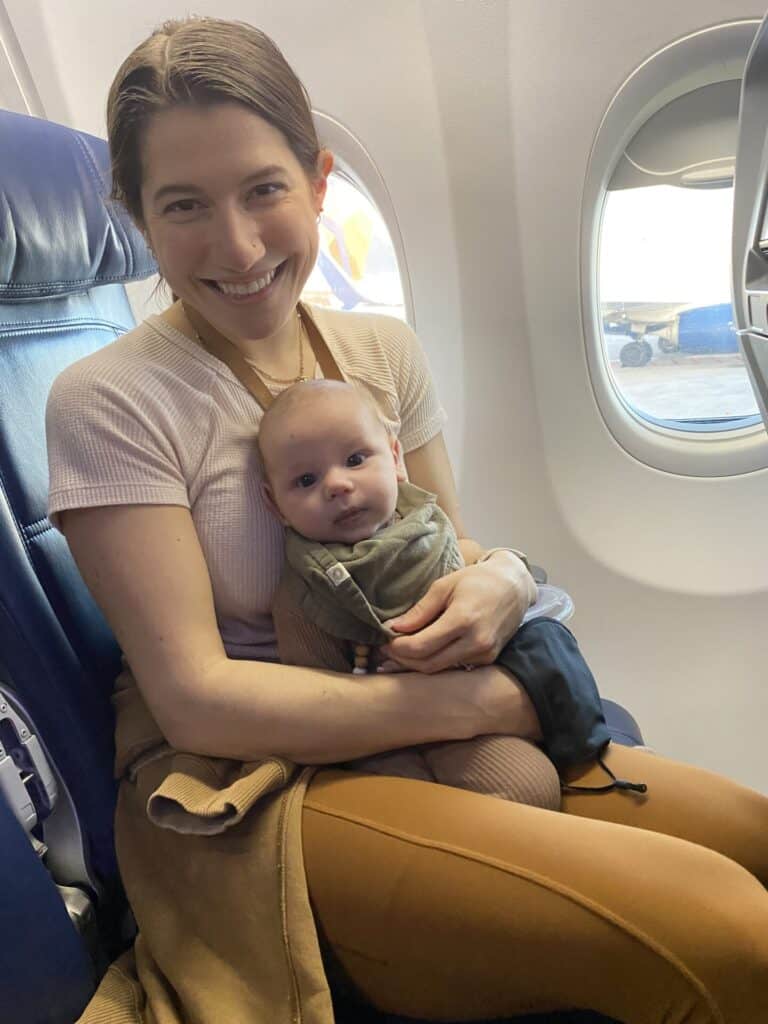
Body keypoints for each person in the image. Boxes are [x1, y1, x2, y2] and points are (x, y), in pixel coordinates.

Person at [44, 15, 768, 1024]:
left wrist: (506, 578)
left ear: (319, 180)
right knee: (731, 934)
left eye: (264, 190)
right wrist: (486, 703)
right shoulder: (109, 399)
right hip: (248, 789)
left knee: (756, 838)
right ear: (134, 215)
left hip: (408, 715)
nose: (239, 245)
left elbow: (442, 548)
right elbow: (198, 699)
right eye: (184, 206)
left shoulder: (379, 351)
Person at [258, 377, 562, 810]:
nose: (337, 484)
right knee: (405, 802)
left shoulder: (435, 538)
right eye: (306, 479)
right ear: (275, 506)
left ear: (396, 458)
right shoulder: (304, 593)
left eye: (355, 458)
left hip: (467, 703)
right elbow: (317, 700)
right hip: (371, 736)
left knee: (531, 786)